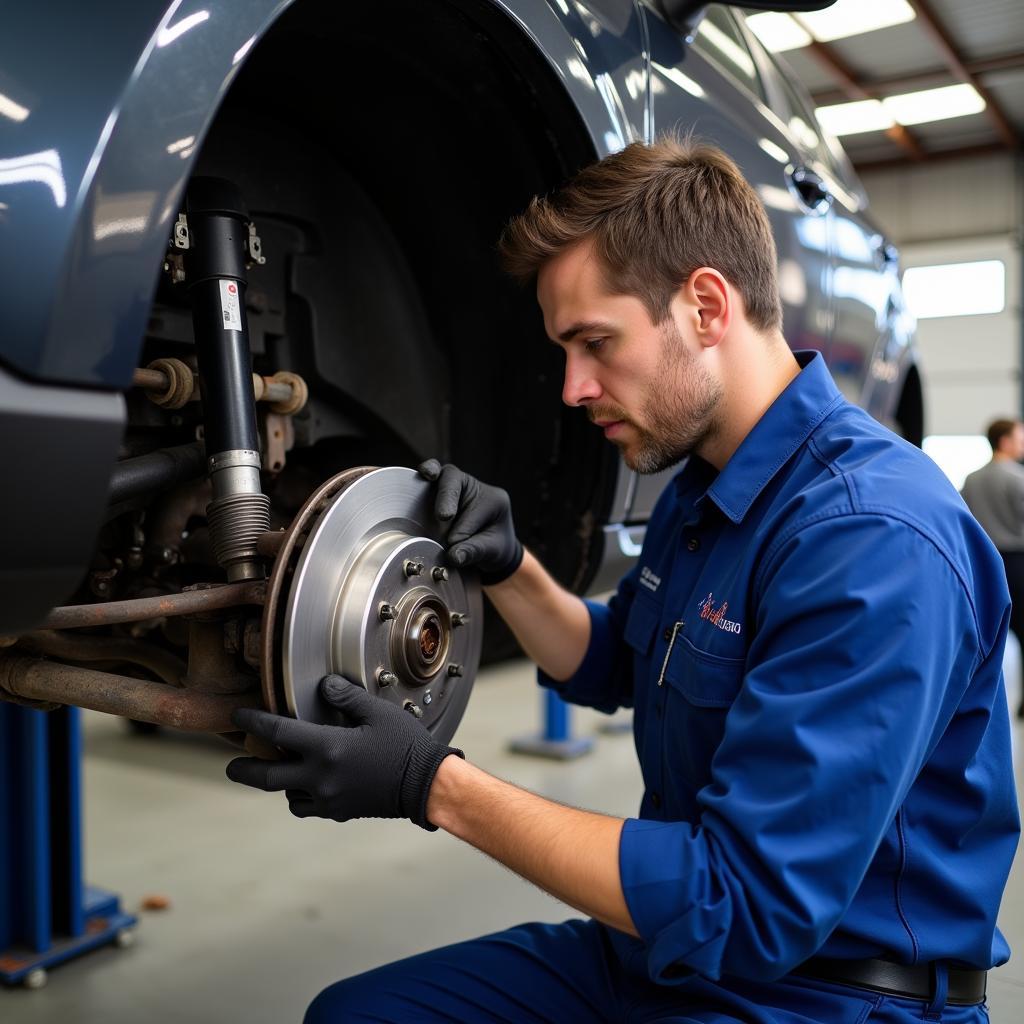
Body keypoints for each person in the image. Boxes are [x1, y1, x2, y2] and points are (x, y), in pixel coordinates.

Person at [227, 139, 1019, 1023]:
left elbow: (746, 904)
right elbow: (616, 662)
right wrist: (510, 564)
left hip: (826, 993)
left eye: (594, 342)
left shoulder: (873, 538)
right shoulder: (708, 482)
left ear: (706, 305)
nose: (572, 386)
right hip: (670, 957)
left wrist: (431, 785)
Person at [961, 418, 1024, 716]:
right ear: (1005, 442)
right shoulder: (1017, 478)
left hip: (985, 562)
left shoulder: (972, 479)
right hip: (1018, 561)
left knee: (990, 631)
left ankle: (983, 697)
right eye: (1019, 437)